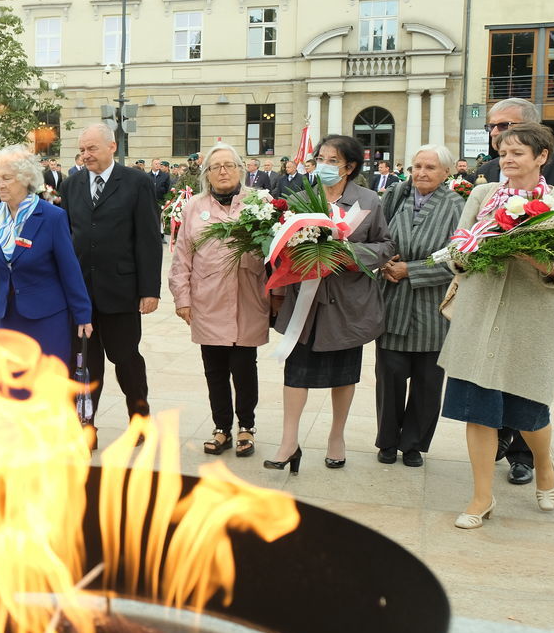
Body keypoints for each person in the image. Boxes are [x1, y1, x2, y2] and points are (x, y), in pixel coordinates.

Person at [439, 122, 554, 528]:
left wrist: (539, 262)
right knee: (478, 412)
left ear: (541, 157)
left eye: (517, 153)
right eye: (503, 152)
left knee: (530, 413)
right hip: (479, 316)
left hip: (530, 323)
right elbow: (456, 248)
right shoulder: (482, 195)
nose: (507, 160)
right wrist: (468, 252)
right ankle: (481, 497)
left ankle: (544, 466)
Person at [267, 136, 394, 472]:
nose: (323, 165)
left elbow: (385, 245)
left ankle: (336, 436)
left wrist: (349, 254)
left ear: (350, 167)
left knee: (343, 375)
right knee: (296, 374)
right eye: (320, 158)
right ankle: (288, 442)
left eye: (332, 160)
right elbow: (279, 242)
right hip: (305, 303)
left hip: (346, 303)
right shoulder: (298, 198)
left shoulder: (367, 201)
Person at [476, 97, 554, 482]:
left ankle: (525, 456)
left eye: (505, 127)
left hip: (537, 290)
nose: (497, 136)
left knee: (525, 376)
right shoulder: (487, 171)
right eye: (492, 128)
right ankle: (499, 438)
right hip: (493, 289)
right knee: (491, 372)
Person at [169, 143, 269, 458]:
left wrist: (276, 296)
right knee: (214, 369)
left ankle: (247, 427)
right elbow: (182, 256)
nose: (223, 171)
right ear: (207, 174)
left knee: (243, 368)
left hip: (248, 297)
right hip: (207, 299)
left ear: (241, 169)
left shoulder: (259, 203)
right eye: (216, 167)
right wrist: (182, 297)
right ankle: (222, 427)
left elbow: (277, 254)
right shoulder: (193, 207)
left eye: (229, 165)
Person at [58, 123, 162, 422]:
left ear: (111, 146)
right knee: (84, 364)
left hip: (121, 291)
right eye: (82, 150)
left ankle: (139, 416)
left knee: (126, 359)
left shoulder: (136, 182)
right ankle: (85, 424)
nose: (85, 155)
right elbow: (66, 238)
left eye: (91, 148)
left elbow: (148, 239)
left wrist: (149, 290)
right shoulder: (71, 185)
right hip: (81, 295)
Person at [374, 144, 463, 467]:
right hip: (393, 301)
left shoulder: (457, 206)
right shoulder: (395, 197)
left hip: (432, 308)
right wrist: (383, 262)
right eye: (417, 166)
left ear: (446, 173)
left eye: (430, 167)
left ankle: (413, 445)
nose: (422, 173)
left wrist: (410, 270)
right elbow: (376, 237)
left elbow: (459, 258)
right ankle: (387, 441)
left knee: (427, 384)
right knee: (389, 377)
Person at [0, 146, 92, 382]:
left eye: (7, 179)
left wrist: (83, 315)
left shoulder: (52, 216)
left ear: (25, 179)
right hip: (7, 316)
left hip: (46, 317)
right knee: (13, 386)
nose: (0, 185)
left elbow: (70, 270)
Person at [477, 98, 554, 192]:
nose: (493, 133)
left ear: (530, 127)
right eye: (491, 126)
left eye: (504, 125)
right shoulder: (484, 171)